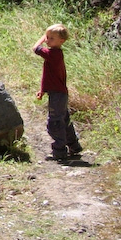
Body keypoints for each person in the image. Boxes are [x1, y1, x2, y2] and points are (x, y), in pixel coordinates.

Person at [33, 23, 83, 161]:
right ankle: (74, 146)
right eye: (47, 37)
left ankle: (59, 150)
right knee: (64, 120)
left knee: (55, 123)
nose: (47, 41)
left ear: (61, 41)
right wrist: (43, 90)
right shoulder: (54, 55)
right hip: (58, 93)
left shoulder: (53, 54)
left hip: (58, 95)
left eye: (51, 38)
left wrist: (42, 38)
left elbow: (35, 48)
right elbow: (48, 76)